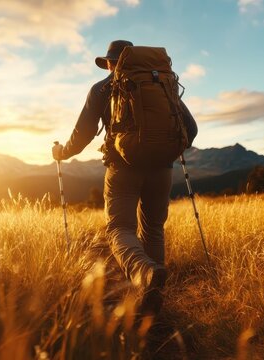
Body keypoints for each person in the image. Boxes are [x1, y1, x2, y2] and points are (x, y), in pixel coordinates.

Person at [52, 40, 198, 316]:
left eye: (108, 61)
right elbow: (191, 129)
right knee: (153, 229)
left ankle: (144, 272)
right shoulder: (162, 84)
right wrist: (167, 148)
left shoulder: (102, 89)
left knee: (119, 229)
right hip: (162, 169)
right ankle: (153, 299)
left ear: (111, 62)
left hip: (123, 168)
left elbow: (83, 134)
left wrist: (61, 152)